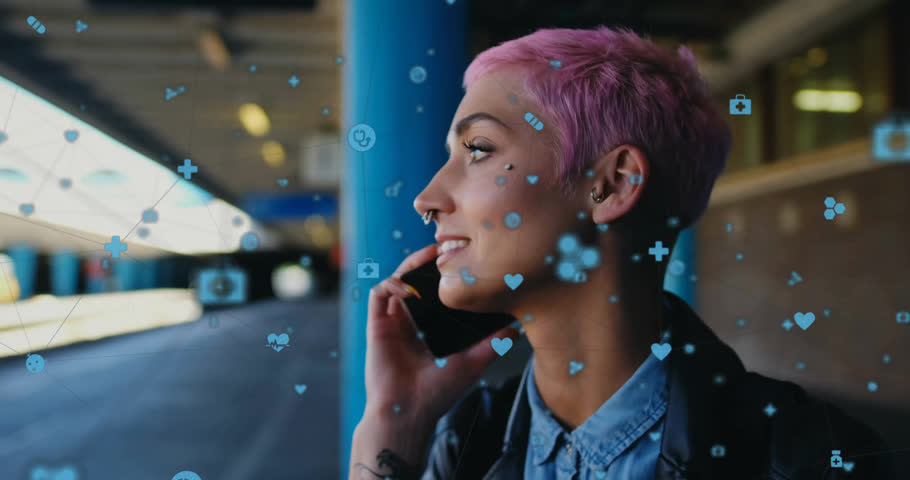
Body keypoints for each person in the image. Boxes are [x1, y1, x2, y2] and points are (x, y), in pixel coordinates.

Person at [348, 26, 894, 479]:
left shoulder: (812, 458)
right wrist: (393, 428)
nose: (426, 199)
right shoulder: (468, 438)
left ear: (610, 184)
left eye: (479, 150)